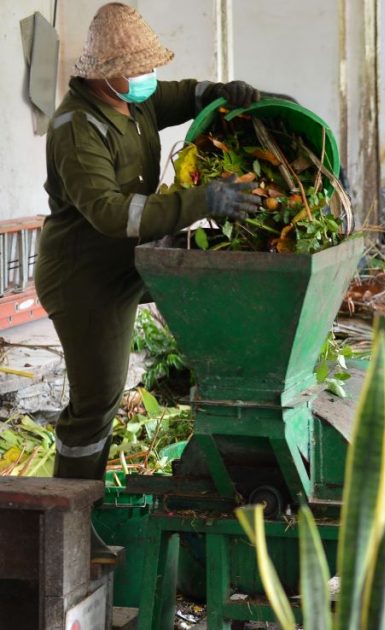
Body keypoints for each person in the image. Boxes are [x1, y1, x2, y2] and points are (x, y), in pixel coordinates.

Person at [35, 3, 277, 561]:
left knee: (212, 286)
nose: (148, 77)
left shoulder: (130, 100)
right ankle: (71, 526)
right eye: (137, 68)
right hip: (86, 278)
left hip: (131, 262)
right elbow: (114, 214)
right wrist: (201, 201)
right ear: (104, 72)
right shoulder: (77, 129)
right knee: (97, 401)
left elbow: (186, 95)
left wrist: (226, 91)